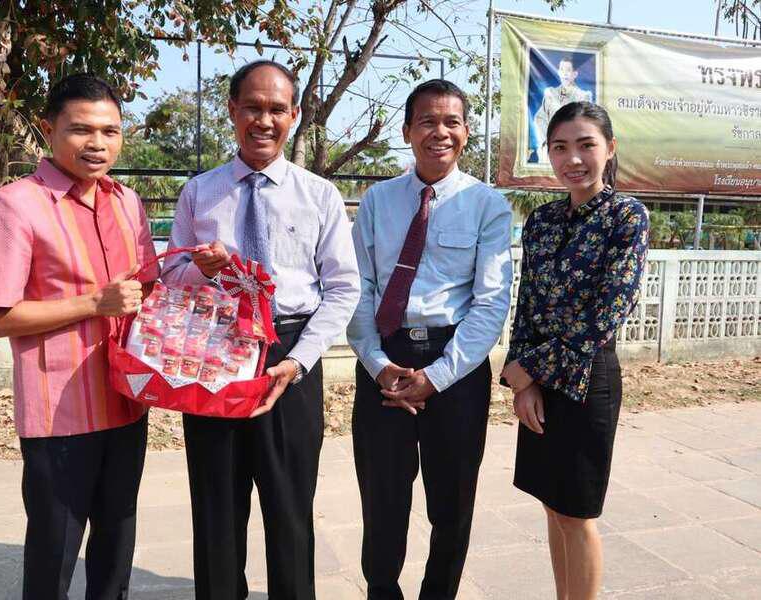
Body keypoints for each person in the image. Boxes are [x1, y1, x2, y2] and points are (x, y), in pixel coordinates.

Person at [160, 59, 360, 600]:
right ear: (232, 111)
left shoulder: (319, 195)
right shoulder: (199, 193)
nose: (264, 121)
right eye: (252, 107)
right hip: (214, 354)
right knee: (217, 509)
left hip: (289, 356)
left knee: (290, 510)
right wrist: (200, 270)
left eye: (276, 109)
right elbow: (169, 276)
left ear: (294, 115)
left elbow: (343, 288)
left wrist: (299, 361)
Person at [0, 74, 159, 599]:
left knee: (116, 547)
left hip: (126, 403)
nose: (97, 144)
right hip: (61, 415)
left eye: (110, 131)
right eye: (81, 130)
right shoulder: (14, 206)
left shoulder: (127, 202)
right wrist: (92, 304)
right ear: (47, 128)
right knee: (54, 553)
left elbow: (147, 286)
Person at [347, 79, 513, 600]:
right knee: (382, 497)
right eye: (427, 121)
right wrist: (377, 363)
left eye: (452, 122)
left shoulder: (487, 204)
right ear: (406, 131)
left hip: (455, 368)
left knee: (452, 500)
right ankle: (382, 591)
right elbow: (358, 288)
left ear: (466, 132)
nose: (440, 132)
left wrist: (436, 378)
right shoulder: (378, 201)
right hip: (386, 362)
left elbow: (491, 303)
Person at [501, 101, 649, 600]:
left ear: (610, 148)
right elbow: (528, 303)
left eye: (586, 145)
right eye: (561, 147)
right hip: (540, 381)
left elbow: (607, 313)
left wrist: (529, 367)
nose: (574, 159)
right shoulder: (541, 221)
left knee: (577, 513)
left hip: (588, 378)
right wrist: (523, 383)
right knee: (551, 504)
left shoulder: (626, 216)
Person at [532, 57, 593, 163]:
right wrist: (548, 139)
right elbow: (540, 118)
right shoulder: (550, 93)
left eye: (568, 70)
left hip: (571, 148)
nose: (564, 73)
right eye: (562, 69)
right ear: (558, 72)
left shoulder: (583, 96)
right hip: (550, 145)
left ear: (575, 74)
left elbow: (584, 124)